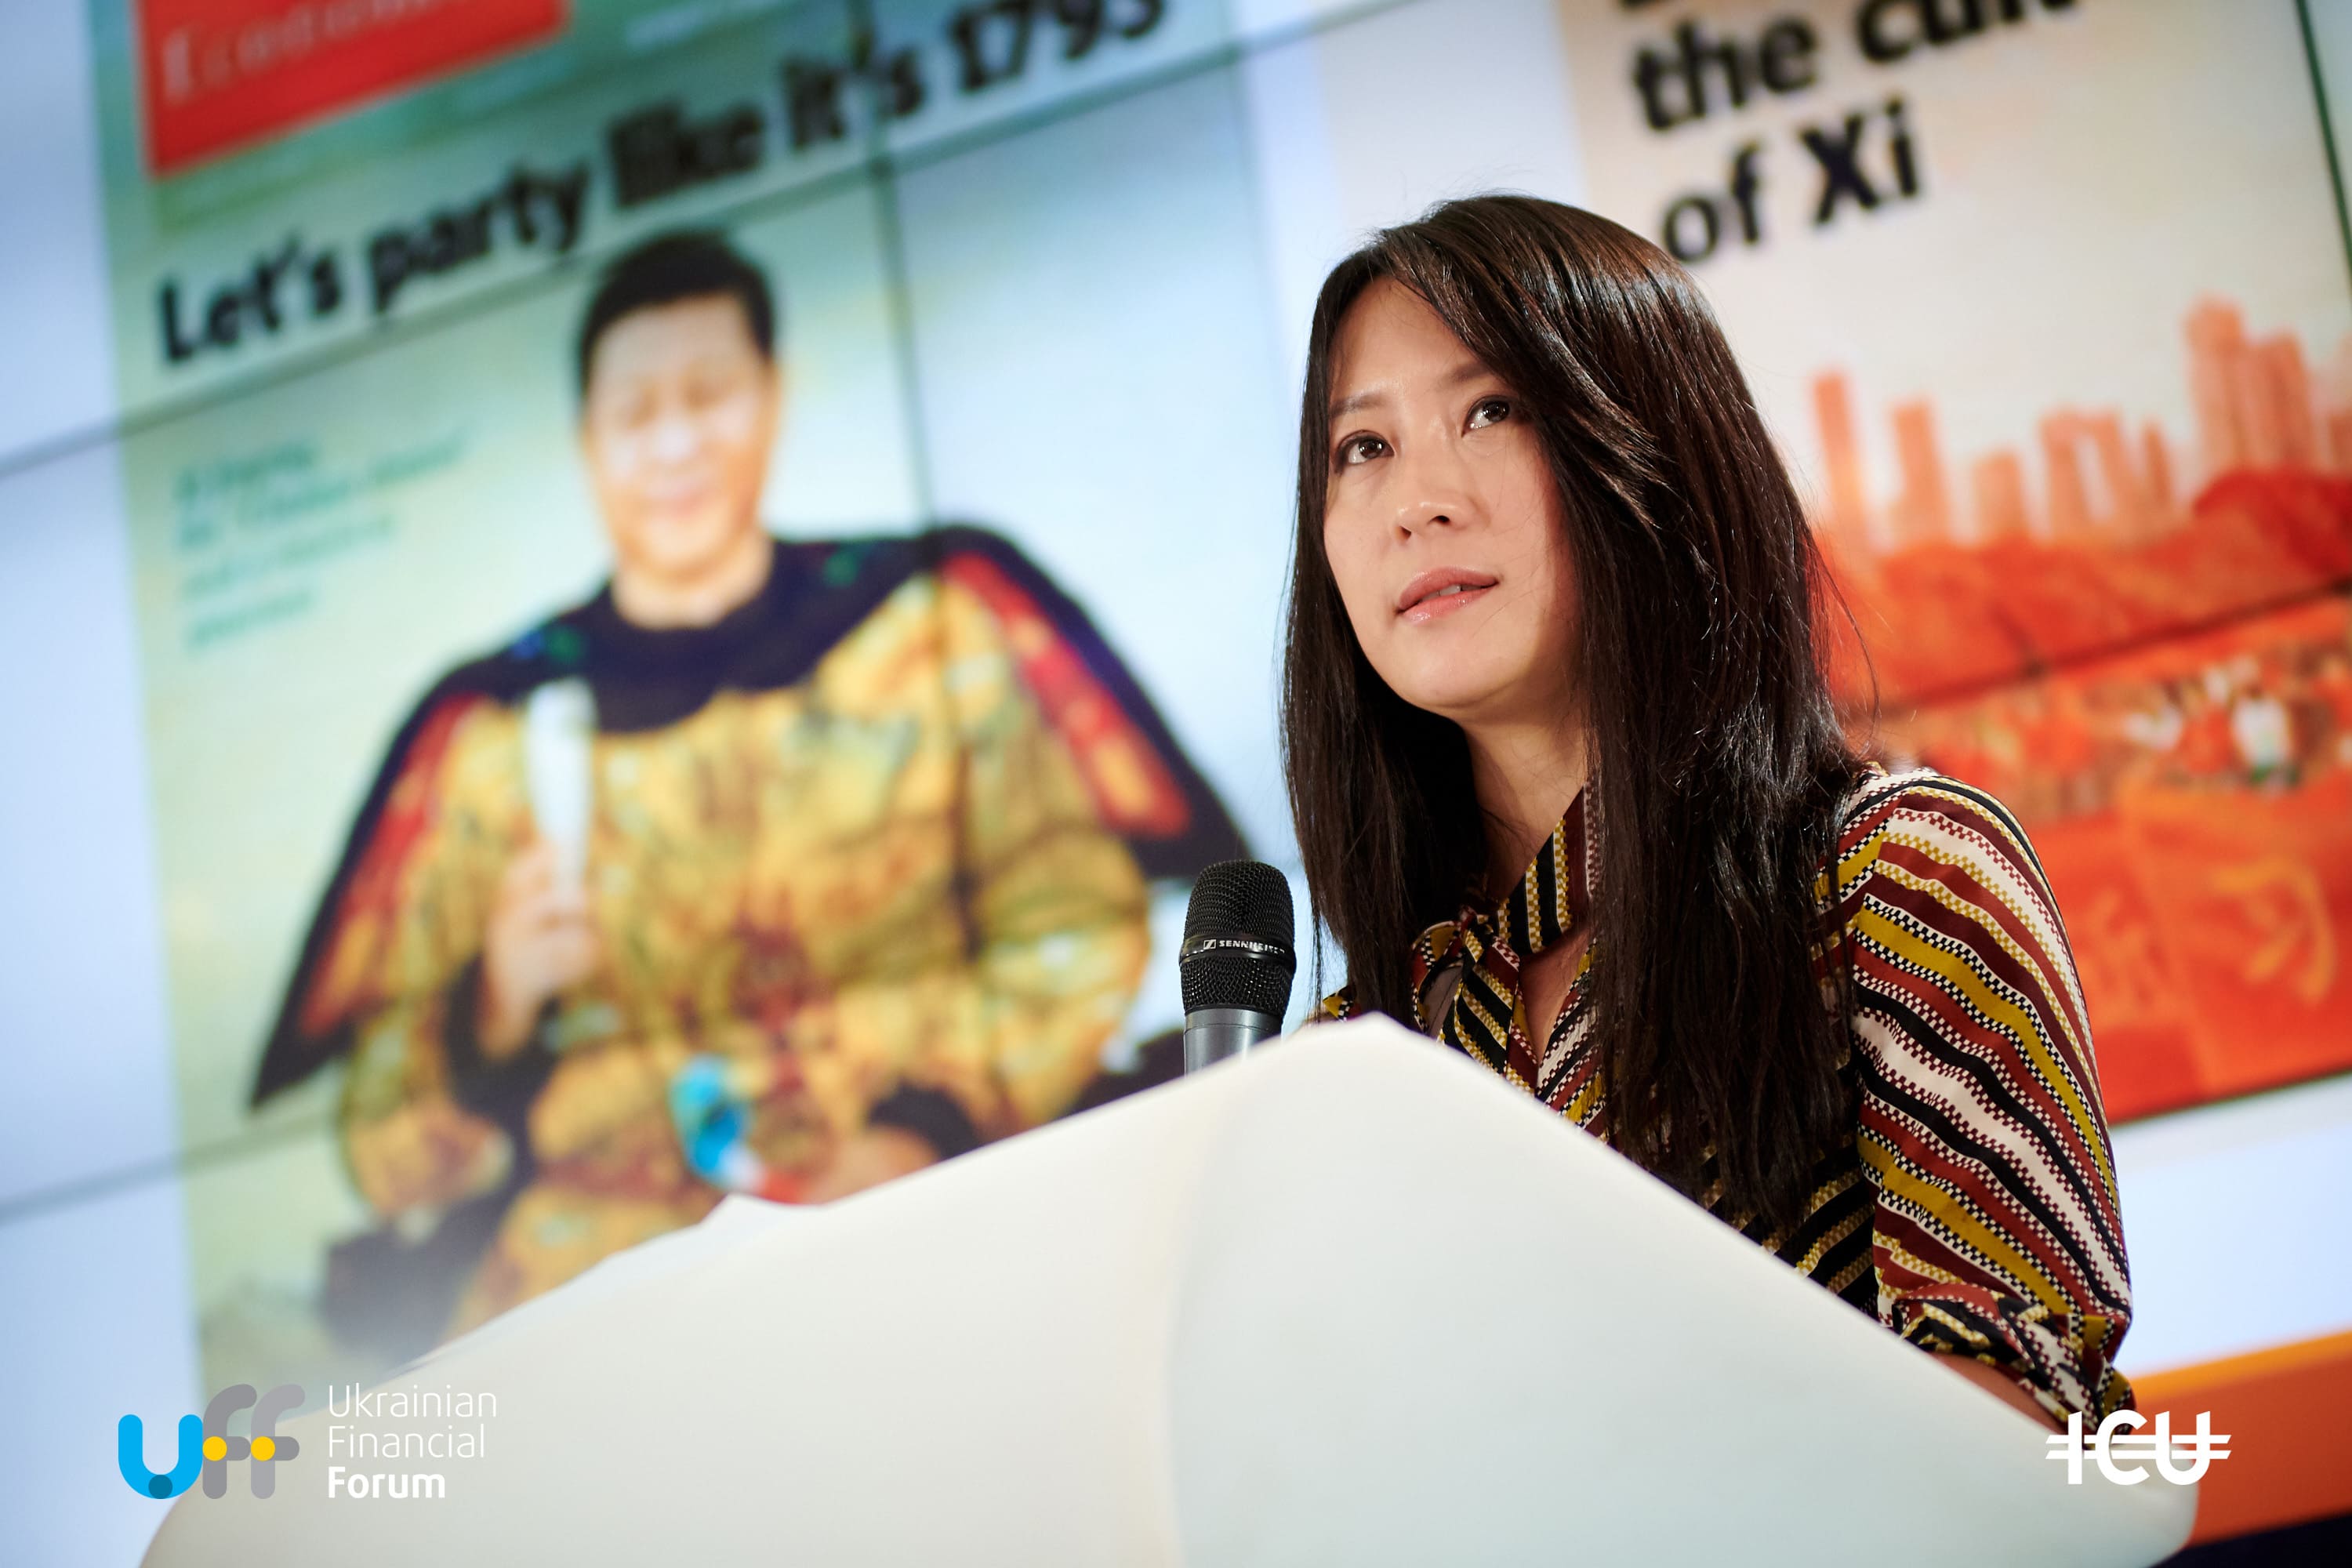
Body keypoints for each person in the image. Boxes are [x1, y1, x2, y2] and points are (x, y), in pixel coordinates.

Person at [253, 230, 1241, 1351]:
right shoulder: (494, 736)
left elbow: (1071, 925)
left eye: (709, 395)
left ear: (772, 398)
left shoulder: (924, 625)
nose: (675, 443)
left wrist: (922, 1128)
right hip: (610, 1311)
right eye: (637, 413)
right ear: (587, 443)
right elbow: (385, 1151)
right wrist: (493, 1008)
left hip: (930, 1225)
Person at [1287, 196, 2132, 1430]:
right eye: (1362, 447)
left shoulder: (1896, 874)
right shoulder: (1367, 1051)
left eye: (1492, 411)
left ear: (1654, 452)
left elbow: (2028, 1425)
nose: (1418, 500)